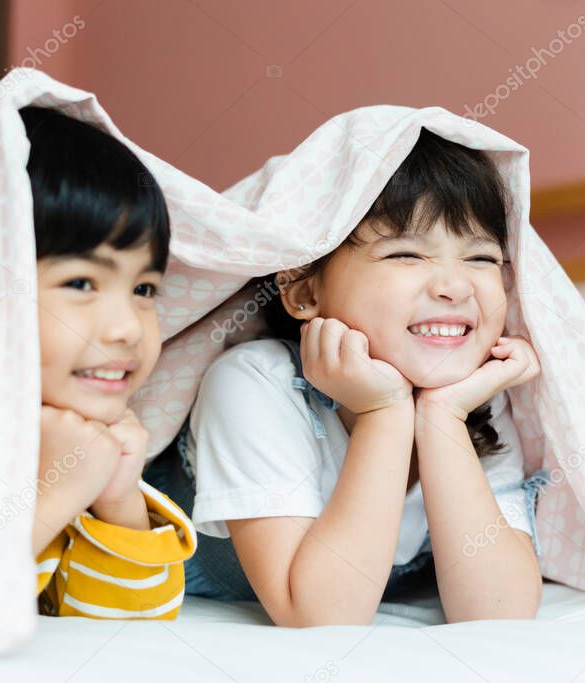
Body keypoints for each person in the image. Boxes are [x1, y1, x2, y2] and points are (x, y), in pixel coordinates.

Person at [146, 128, 548, 626]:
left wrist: (443, 417)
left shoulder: (473, 396)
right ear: (303, 290)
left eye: (482, 258)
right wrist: (384, 413)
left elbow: (498, 613)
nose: (454, 286)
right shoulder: (254, 383)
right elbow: (318, 616)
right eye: (406, 254)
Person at [23, 106, 195, 620]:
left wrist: (117, 501)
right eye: (81, 283)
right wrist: (51, 496)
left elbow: (126, 633)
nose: (126, 328)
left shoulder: (77, 430)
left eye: (144, 289)